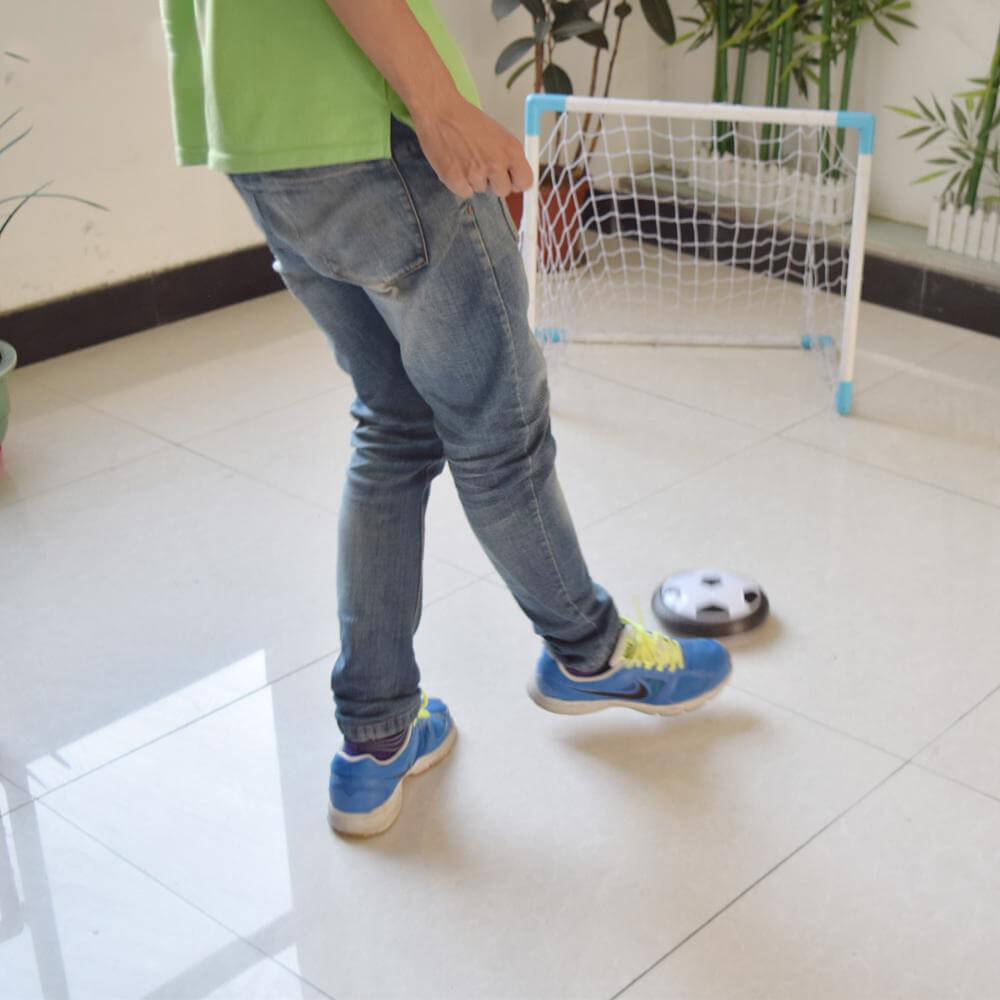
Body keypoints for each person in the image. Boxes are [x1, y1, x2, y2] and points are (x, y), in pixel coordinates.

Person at [160, 0, 732, 838]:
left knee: (391, 422)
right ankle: (591, 652)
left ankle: (376, 734)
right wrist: (439, 105)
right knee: (500, 434)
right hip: (370, 126)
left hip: (255, 134)